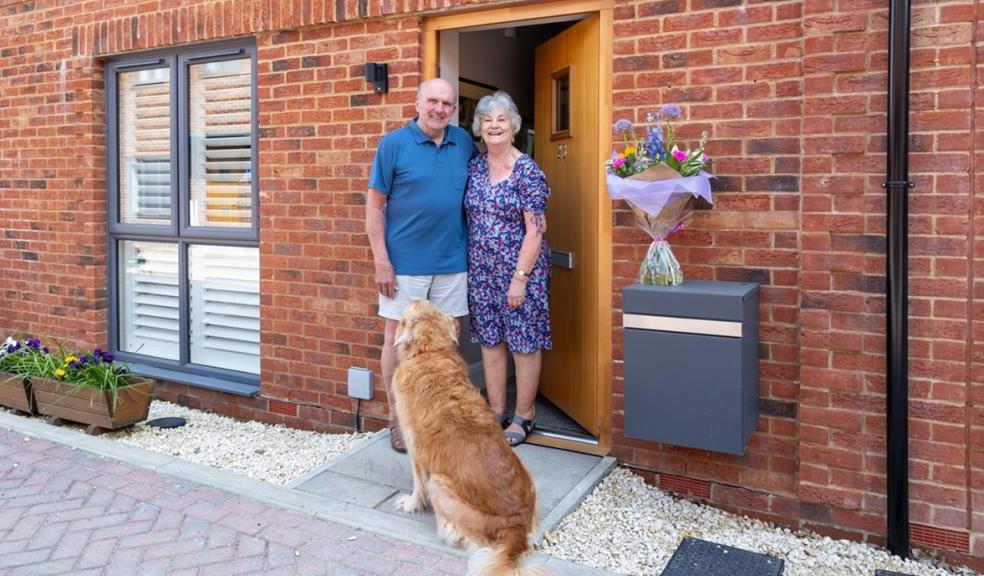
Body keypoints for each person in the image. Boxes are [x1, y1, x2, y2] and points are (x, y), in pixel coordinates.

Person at [366, 78, 478, 453]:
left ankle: (439, 415)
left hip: (452, 262)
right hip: (404, 265)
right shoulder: (394, 145)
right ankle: (398, 419)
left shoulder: (463, 142)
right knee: (397, 340)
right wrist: (382, 260)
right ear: (417, 103)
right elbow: (374, 207)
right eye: (433, 101)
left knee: (447, 341)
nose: (439, 109)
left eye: (447, 103)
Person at [465, 91, 552, 447]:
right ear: (480, 128)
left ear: (514, 126)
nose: (495, 125)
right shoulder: (474, 167)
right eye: (487, 120)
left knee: (524, 344)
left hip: (520, 272)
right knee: (490, 342)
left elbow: (536, 230)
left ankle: (524, 414)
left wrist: (519, 279)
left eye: (502, 119)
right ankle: (496, 411)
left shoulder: (527, 171)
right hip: (481, 272)